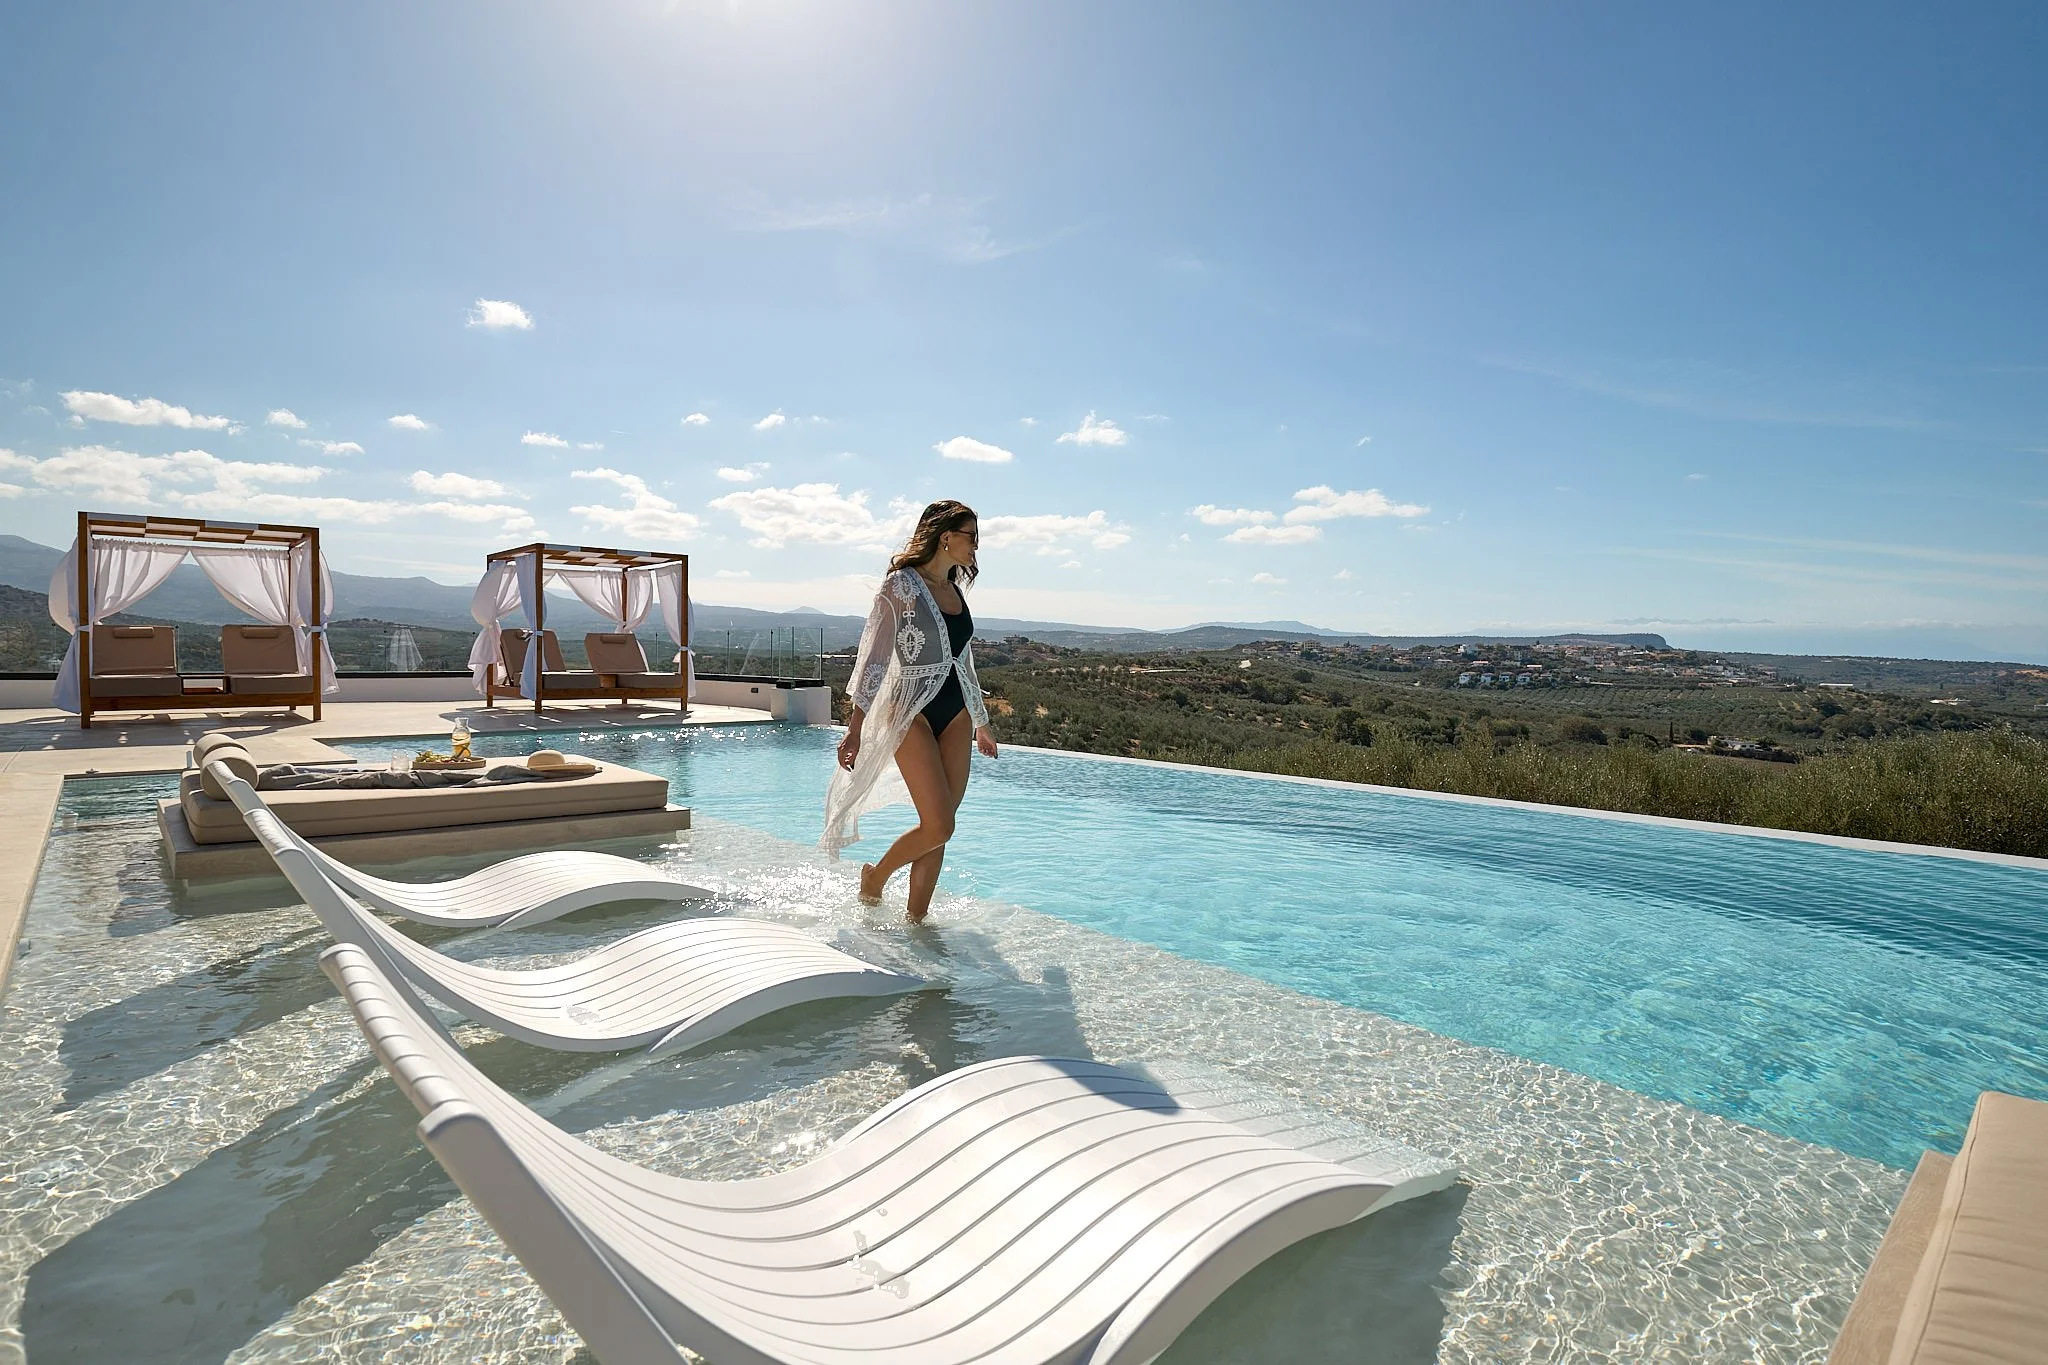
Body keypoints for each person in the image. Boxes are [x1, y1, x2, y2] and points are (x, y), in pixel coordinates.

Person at [823, 500, 999, 922]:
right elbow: (875, 658)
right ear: (946, 537)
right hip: (911, 712)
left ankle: (916, 924)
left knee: (940, 832)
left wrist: (981, 721)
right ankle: (876, 877)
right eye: (971, 536)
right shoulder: (901, 586)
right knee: (938, 824)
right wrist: (856, 727)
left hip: (956, 713)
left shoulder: (955, 587)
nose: (977, 546)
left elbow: (964, 658)